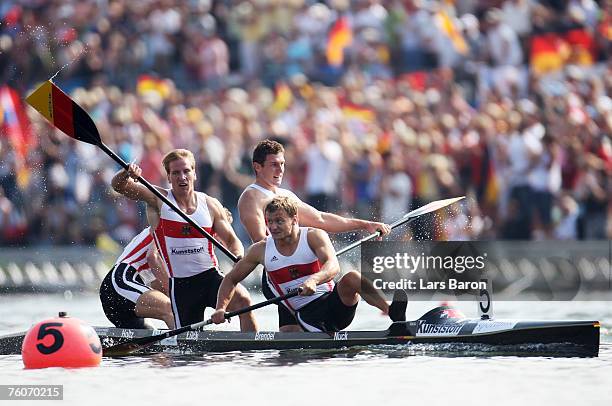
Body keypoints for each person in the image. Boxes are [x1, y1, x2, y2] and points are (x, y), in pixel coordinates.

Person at [238, 139, 391, 332]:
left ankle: (391, 313)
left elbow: (321, 219)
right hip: (278, 272)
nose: (280, 170)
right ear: (257, 167)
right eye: (274, 165)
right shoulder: (251, 197)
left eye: (282, 164)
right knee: (300, 327)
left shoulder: (286, 196)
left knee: (291, 340)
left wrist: (365, 224)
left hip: (300, 267)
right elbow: (262, 241)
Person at [111, 149, 257, 331]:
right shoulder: (158, 199)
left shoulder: (210, 205)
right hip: (181, 287)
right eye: (176, 173)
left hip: (210, 278)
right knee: (189, 349)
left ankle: (252, 350)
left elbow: (232, 240)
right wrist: (126, 173)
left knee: (244, 301)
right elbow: (119, 186)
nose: (182, 177)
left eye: (186, 171)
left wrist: (238, 258)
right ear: (169, 177)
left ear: (194, 174)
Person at [212, 197, 405, 332]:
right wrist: (221, 308)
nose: (273, 227)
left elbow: (333, 265)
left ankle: (391, 313)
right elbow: (231, 279)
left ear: (295, 219)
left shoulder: (313, 236)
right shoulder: (260, 250)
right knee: (289, 343)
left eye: (279, 221)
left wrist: (314, 280)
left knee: (351, 278)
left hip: (334, 306)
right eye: (269, 222)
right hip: (303, 315)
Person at [99, 227, 175, 329]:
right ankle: (187, 343)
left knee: (150, 338)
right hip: (121, 282)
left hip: (115, 293)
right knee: (169, 308)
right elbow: (153, 257)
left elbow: (156, 283)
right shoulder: (166, 226)